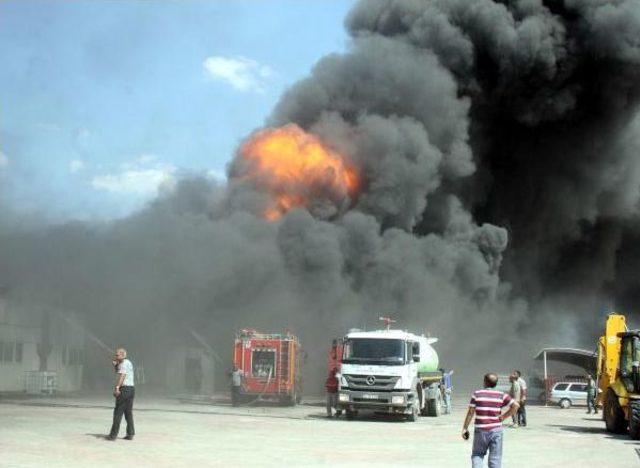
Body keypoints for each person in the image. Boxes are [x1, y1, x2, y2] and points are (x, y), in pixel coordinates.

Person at [462, 373, 520, 468]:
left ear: (485, 382)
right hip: (496, 430)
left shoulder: (477, 394)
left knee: (477, 455)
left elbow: (470, 412)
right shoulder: (501, 395)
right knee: (495, 459)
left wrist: (465, 428)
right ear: (496, 383)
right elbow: (516, 406)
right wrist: (504, 417)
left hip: (480, 430)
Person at [107, 348, 135, 441]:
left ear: (123, 355)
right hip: (131, 389)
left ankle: (113, 435)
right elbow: (118, 371)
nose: (116, 356)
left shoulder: (123, 364)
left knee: (118, 412)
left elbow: (122, 376)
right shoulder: (127, 362)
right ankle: (130, 433)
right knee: (128, 412)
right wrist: (115, 366)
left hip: (124, 389)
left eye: (117, 355)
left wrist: (117, 388)